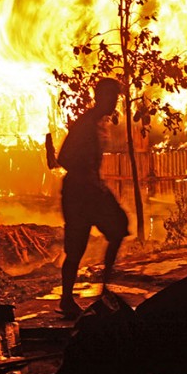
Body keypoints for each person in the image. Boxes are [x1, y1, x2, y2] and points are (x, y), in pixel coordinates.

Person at [56, 77, 130, 319]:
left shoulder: (100, 123)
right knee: (76, 247)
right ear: (101, 97)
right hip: (79, 193)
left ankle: (104, 290)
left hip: (91, 191)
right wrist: (85, 173)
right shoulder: (85, 124)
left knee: (119, 227)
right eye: (113, 97)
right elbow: (63, 158)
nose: (116, 102)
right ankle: (68, 299)